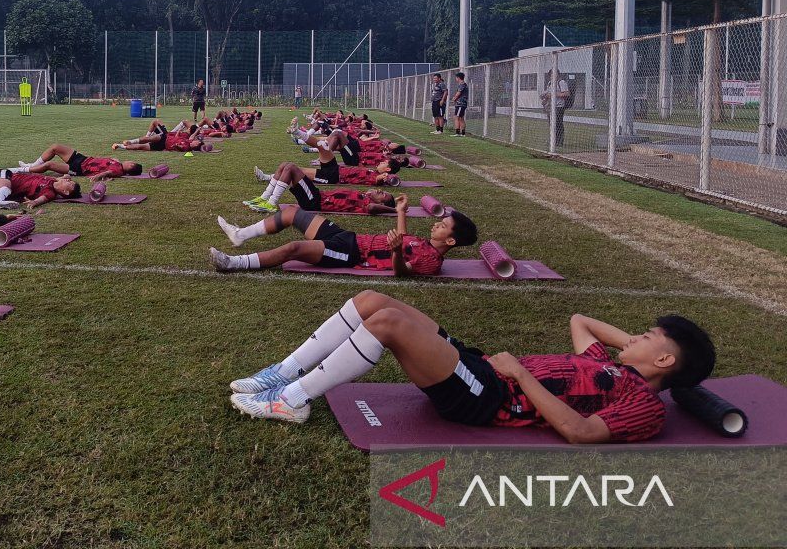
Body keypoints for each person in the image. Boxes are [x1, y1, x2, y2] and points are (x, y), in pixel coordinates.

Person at [227, 293, 715, 443]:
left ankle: (291, 401)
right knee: (373, 300)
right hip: (483, 370)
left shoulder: (643, 403)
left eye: (649, 338)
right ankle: (281, 374)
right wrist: (633, 344)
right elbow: (580, 320)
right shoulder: (607, 365)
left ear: (666, 361)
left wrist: (520, 376)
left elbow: (584, 431)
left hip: (489, 396)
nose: (634, 338)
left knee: (392, 323)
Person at [210, 194, 477, 276]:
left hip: (352, 254)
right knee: (292, 212)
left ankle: (235, 263)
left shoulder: (432, 261)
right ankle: (241, 235)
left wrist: (395, 251)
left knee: (294, 248)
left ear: (451, 241)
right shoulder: (423, 242)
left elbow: (403, 272)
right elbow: (402, 238)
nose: (436, 225)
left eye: (443, 226)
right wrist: (400, 211)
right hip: (349, 237)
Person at [236, 164, 398, 216]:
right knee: (284, 166)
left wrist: (393, 209)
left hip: (315, 200)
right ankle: (265, 198)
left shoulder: (367, 204)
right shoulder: (365, 195)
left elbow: (372, 208)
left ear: (381, 202)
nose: (380, 192)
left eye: (383, 195)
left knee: (292, 167)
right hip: (315, 195)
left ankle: (271, 203)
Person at [14, 144, 142, 181]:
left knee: (49, 166)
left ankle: (22, 170)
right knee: (55, 147)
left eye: (131, 162)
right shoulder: (117, 163)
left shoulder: (118, 170)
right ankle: (32, 165)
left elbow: (107, 172)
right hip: (83, 159)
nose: (129, 160)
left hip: (79, 168)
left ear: (131, 166)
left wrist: (98, 177)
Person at [540, 69, 571, 148]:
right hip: (550, 106)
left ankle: (559, 142)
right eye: (551, 75)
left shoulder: (561, 82)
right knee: (551, 124)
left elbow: (566, 93)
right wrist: (545, 98)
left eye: (554, 74)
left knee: (558, 124)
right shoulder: (550, 83)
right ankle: (552, 140)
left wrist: (554, 94)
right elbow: (547, 93)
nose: (552, 76)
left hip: (558, 106)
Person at [452, 71, 469, 137]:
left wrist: (454, 98)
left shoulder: (462, 84)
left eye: (456, 78)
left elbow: (458, 93)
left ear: (458, 78)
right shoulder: (463, 84)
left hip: (461, 104)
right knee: (461, 118)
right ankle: (463, 133)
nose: (456, 79)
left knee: (456, 117)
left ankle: (458, 133)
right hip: (461, 103)